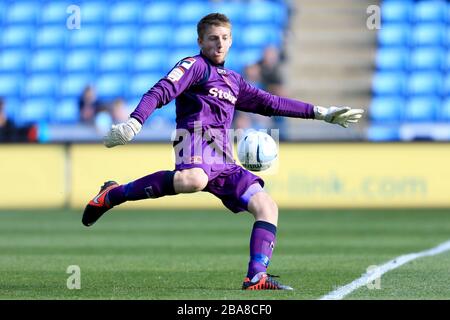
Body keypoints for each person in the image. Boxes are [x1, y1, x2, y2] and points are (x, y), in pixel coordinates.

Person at [82, 13, 363, 290]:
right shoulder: (194, 66)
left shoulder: (233, 81)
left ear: (231, 41)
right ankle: (113, 194)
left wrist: (322, 113)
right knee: (194, 179)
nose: (220, 44)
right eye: (213, 39)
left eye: (225, 38)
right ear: (200, 42)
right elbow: (160, 91)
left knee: (267, 207)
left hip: (223, 157)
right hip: (192, 140)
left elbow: (272, 103)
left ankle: (256, 276)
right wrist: (135, 122)